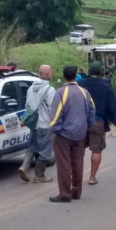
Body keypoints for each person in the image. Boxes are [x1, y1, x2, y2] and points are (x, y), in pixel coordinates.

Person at [49, 66, 95, 203]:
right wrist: (87, 126)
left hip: (64, 135)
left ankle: (65, 194)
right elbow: (92, 111)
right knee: (78, 163)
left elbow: (56, 115)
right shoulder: (84, 92)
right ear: (76, 76)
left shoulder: (61, 93)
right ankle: (76, 192)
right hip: (80, 134)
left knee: (64, 165)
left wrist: (55, 130)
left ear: (64, 76)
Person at [79, 61, 116, 185]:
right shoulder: (105, 87)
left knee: (78, 150)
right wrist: (112, 120)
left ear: (89, 70)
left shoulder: (80, 84)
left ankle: (76, 177)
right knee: (96, 150)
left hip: (81, 121)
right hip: (98, 122)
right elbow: (114, 104)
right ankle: (92, 178)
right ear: (100, 72)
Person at [19, 64, 56, 184]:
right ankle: (39, 176)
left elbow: (27, 106)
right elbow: (52, 109)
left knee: (33, 146)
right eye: (51, 72)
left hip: (33, 123)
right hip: (44, 125)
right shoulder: (49, 90)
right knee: (44, 150)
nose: (52, 74)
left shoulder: (31, 88)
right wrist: (54, 123)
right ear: (46, 74)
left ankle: (24, 167)